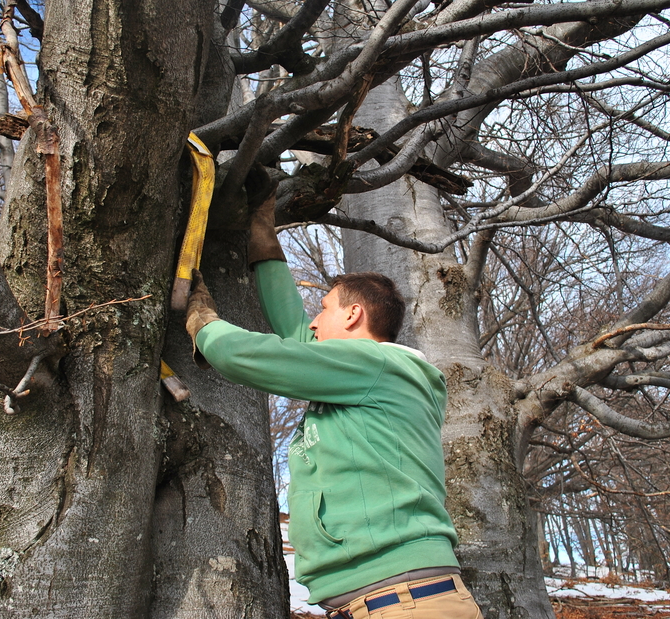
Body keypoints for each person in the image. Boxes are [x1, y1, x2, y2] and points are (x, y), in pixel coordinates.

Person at [185, 193, 483, 619]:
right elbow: (295, 334)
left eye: (323, 309)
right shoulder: (367, 377)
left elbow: (263, 355)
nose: (312, 321)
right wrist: (263, 236)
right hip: (388, 600)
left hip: (406, 603)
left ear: (352, 315)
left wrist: (205, 324)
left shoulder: (378, 365)